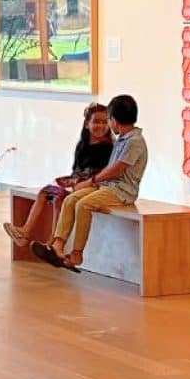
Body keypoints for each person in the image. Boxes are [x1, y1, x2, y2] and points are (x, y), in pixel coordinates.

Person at [34, 94, 148, 270]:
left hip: (122, 192)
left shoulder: (134, 142)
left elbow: (116, 169)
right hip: (108, 186)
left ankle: (77, 254)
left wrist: (90, 182)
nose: (107, 125)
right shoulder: (123, 139)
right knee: (71, 199)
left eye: (108, 120)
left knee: (84, 205)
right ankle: (57, 246)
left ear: (114, 120)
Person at [2, 102, 112, 247]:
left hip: (91, 186)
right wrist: (71, 180)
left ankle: (52, 241)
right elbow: (77, 169)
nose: (101, 126)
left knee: (59, 199)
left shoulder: (108, 147)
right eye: (96, 121)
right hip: (77, 182)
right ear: (87, 124)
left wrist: (77, 182)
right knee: (45, 191)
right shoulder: (83, 144)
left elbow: (101, 174)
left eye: (105, 122)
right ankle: (26, 231)